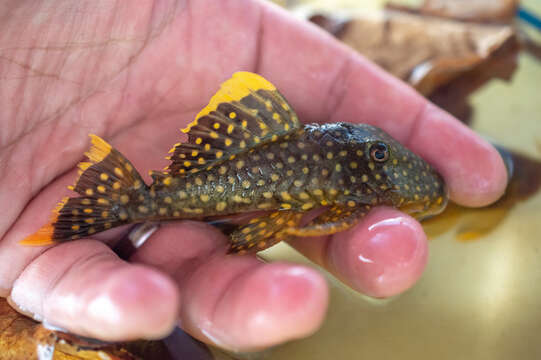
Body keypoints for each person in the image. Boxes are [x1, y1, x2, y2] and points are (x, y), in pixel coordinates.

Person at [0, 0, 507, 353]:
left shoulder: (363, 179)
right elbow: (314, 218)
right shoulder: (360, 187)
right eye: (377, 157)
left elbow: (311, 216)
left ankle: (105, 204)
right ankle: (92, 211)